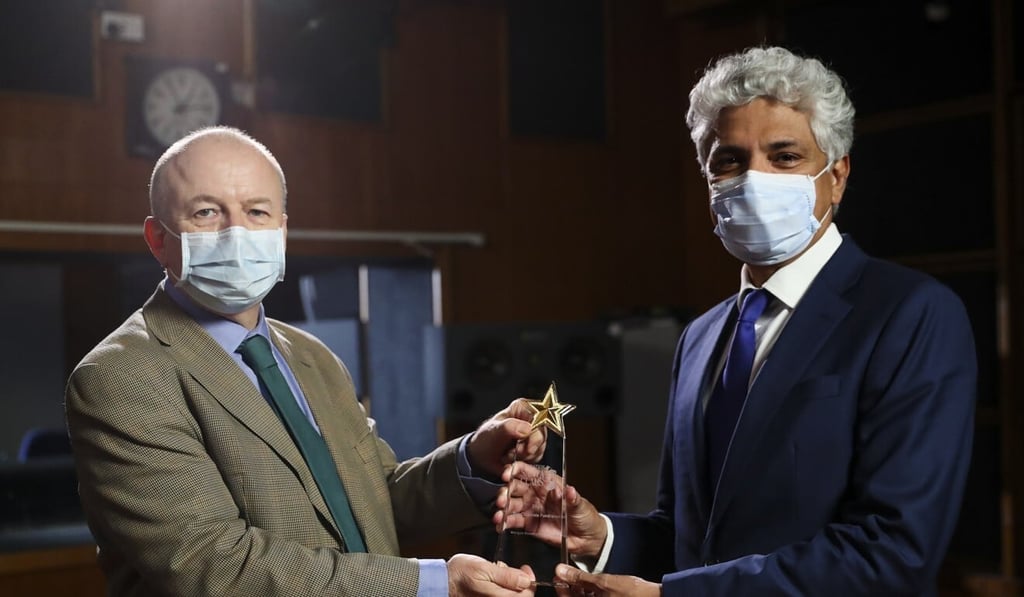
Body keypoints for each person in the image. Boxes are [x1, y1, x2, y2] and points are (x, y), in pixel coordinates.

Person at [498, 46, 977, 596]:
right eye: (729, 160)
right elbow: (692, 539)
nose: (755, 179)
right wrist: (601, 536)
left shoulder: (911, 315)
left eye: (785, 156)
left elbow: (892, 552)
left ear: (837, 176)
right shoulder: (701, 338)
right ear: (707, 180)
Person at [66, 126, 543, 596]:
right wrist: (433, 583)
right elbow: (215, 565)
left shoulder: (313, 356)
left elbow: (374, 500)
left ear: (282, 231)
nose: (237, 233)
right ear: (157, 239)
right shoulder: (119, 378)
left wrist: (473, 459)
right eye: (207, 212)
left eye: (257, 212)